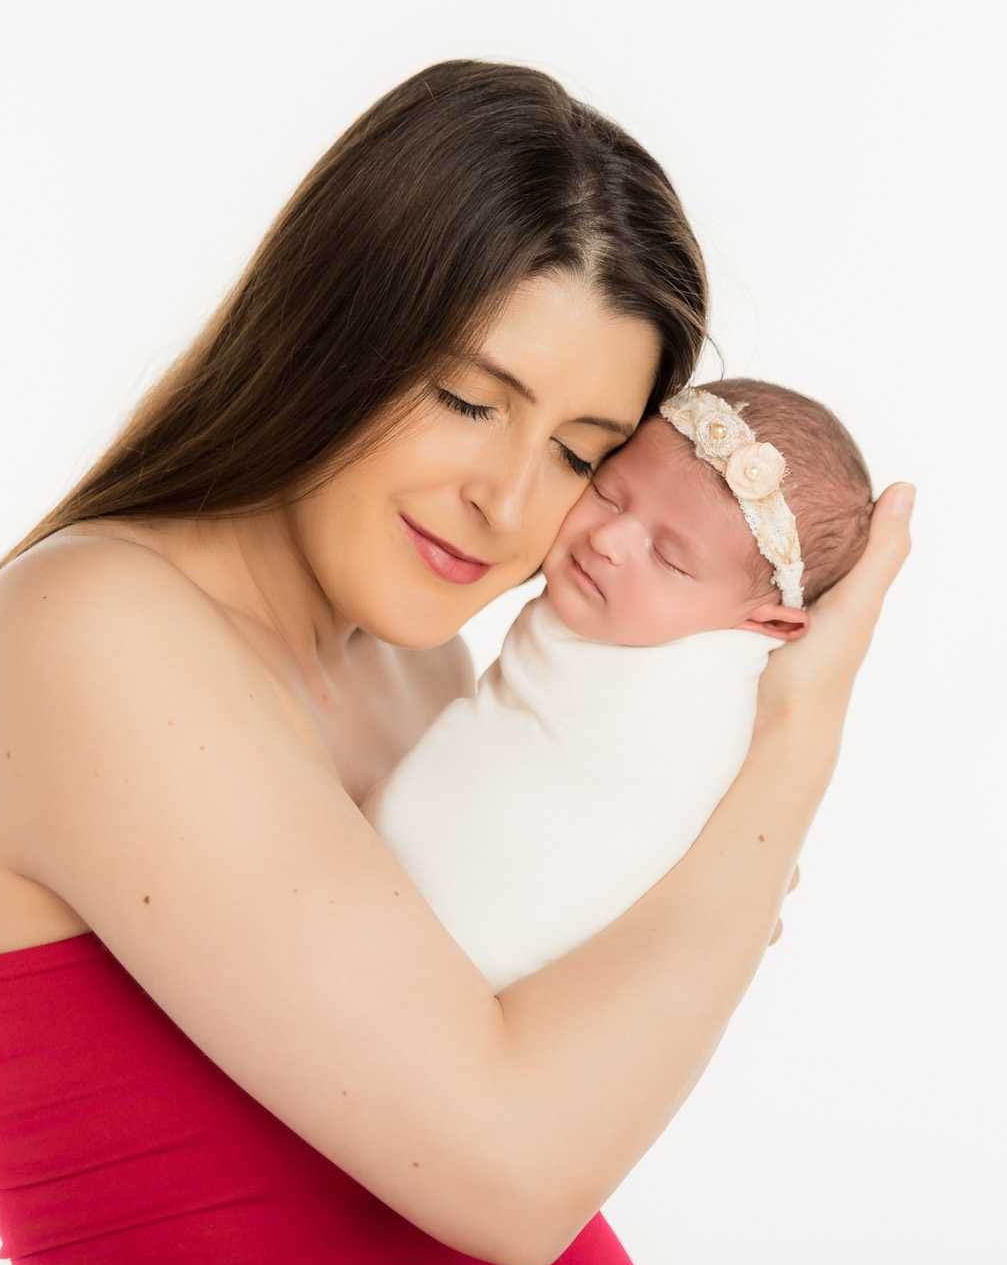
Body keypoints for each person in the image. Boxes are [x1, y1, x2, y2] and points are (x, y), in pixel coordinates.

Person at [0, 60, 912, 1265]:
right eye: (467, 399)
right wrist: (797, 735)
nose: (509, 503)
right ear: (330, 326)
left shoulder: (423, 668)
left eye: (578, 452)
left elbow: (572, 1059)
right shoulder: (91, 629)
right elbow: (515, 1174)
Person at [371, 380, 873, 992]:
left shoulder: (694, 693)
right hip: (384, 909)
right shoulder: (639, 619)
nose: (607, 540)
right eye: (608, 495)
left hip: (464, 963)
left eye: (669, 558)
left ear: (765, 625)